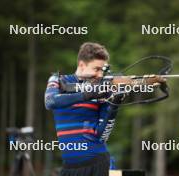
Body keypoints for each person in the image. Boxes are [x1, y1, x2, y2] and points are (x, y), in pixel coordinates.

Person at [45, 42, 122, 176]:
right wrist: (88, 94)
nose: (99, 75)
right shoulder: (59, 79)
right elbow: (50, 101)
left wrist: (114, 104)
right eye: (96, 69)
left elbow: (102, 135)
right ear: (82, 65)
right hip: (69, 167)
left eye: (102, 70)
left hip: (97, 162)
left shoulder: (103, 89)